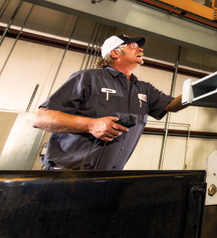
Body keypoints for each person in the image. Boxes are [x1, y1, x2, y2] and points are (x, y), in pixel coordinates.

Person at [33, 34, 189, 170]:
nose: (140, 49)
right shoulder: (88, 78)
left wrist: (201, 91)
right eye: (132, 46)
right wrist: (91, 125)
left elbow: (172, 106)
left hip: (108, 178)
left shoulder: (144, 89)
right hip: (68, 177)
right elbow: (41, 118)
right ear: (114, 53)